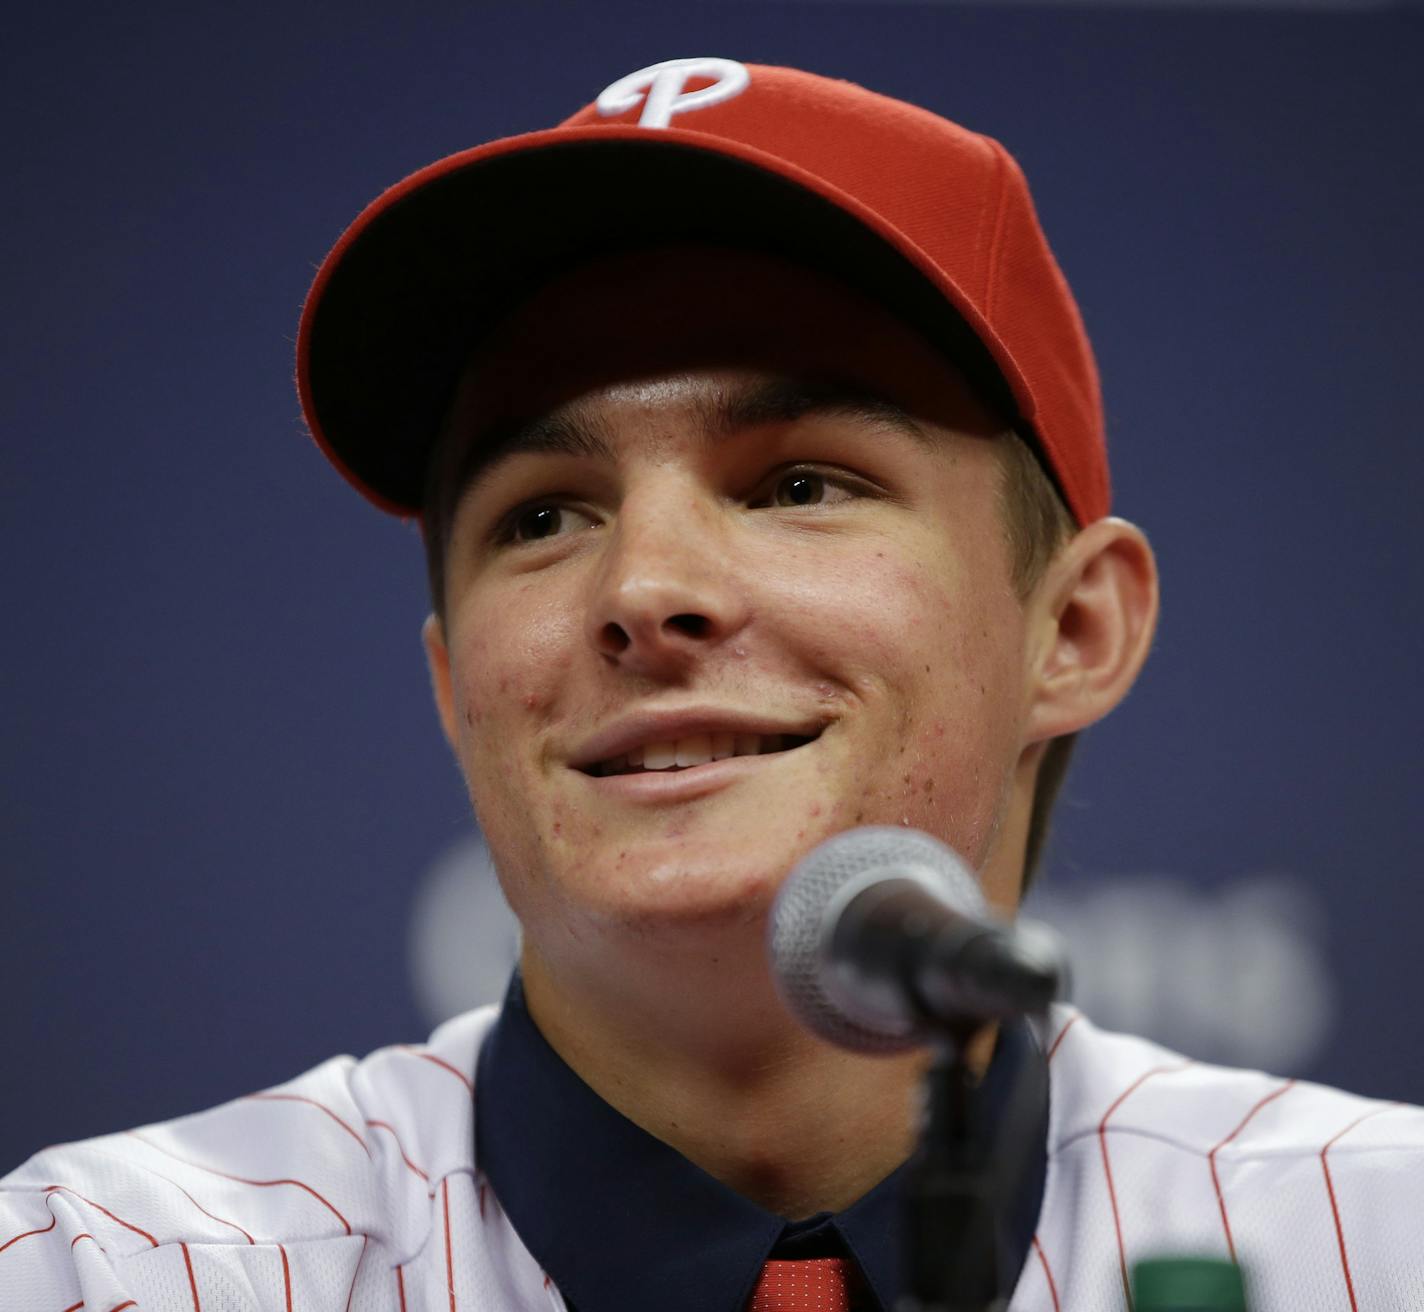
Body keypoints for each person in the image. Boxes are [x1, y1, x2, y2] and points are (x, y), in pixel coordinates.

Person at [2, 56, 1419, 1312]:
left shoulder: (1384, 1245)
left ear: (1076, 631)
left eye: (800, 482)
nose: (640, 593)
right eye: (542, 515)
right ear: (453, 687)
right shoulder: (96, 1276)